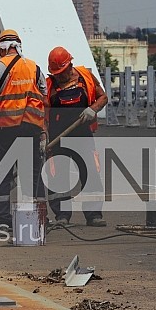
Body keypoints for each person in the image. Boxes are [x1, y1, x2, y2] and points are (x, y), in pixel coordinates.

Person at [0, 29, 47, 230]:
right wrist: (42, 130)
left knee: (2, 173)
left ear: (1, 48)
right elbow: (43, 99)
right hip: (31, 128)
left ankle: (3, 220)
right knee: (32, 173)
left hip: (6, 129)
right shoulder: (35, 68)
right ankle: (38, 218)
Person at [44, 46, 109, 227]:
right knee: (58, 177)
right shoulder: (50, 85)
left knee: (90, 172)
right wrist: (43, 135)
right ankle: (62, 215)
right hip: (58, 136)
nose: (59, 76)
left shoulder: (85, 76)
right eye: (55, 73)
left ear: (69, 65)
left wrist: (93, 109)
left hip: (82, 134)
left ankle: (94, 214)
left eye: (61, 72)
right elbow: (43, 112)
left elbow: (103, 97)